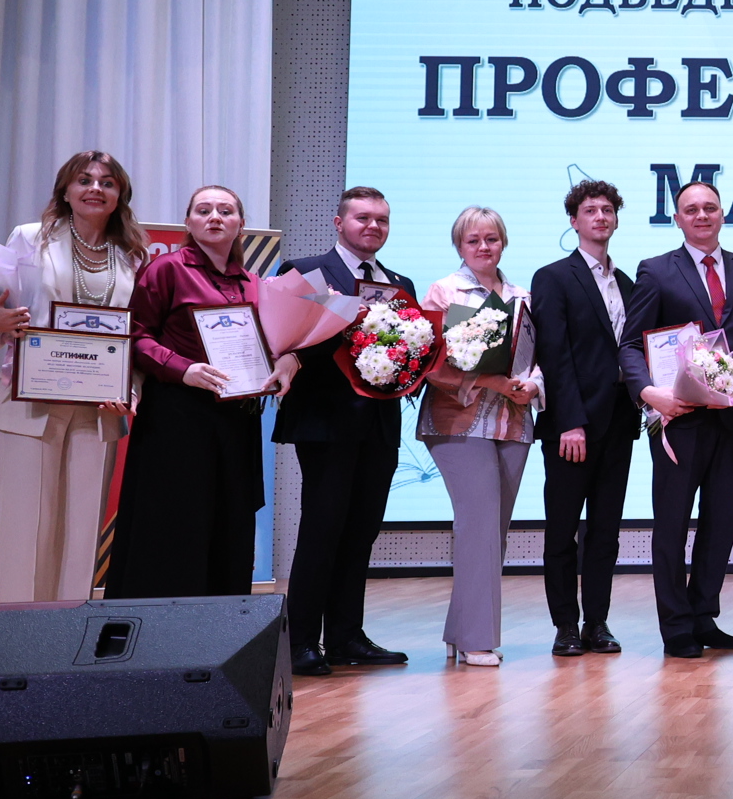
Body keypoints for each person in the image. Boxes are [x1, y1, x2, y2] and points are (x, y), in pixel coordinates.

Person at [0, 151, 145, 602]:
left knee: (82, 529)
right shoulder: (30, 238)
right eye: (84, 180)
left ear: (119, 195)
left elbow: (135, 335)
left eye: (107, 182)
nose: (95, 189)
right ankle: (17, 630)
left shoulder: (132, 256)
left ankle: (69, 628)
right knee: (26, 524)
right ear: (65, 190)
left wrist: (129, 390)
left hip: (99, 407)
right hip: (30, 400)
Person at [620, 180, 733, 660]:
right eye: (691, 209)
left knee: (720, 521)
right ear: (677, 219)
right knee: (671, 523)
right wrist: (650, 394)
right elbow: (630, 344)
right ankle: (676, 625)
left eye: (710, 207)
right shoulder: (655, 270)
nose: (702, 215)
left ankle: (705, 615)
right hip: (677, 418)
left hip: (731, 418)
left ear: (723, 213)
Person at [111, 186, 288, 597]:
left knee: (230, 521)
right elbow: (135, 336)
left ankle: (221, 623)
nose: (215, 217)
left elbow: (272, 342)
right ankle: (162, 622)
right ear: (188, 222)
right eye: (204, 210)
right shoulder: (166, 269)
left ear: (240, 224)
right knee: (174, 522)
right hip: (177, 416)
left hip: (236, 421)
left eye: (225, 211)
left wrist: (286, 359)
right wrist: (183, 368)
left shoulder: (253, 283)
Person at [269, 186, 415, 677]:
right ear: (339, 223)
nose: (373, 227)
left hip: (380, 423)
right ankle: (300, 642)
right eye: (363, 218)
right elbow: (288, 339)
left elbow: (409, 351)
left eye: (381, 220)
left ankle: (347, 636)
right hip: (326, 422)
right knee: (322, 528)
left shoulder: (399, 283)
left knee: (361, 531)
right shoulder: (305, 272)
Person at [418, 207, 542, 667]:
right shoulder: (444, 291)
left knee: (494, 529)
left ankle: (460, 630)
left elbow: (540, 356)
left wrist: (534, 385)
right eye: (473, 240)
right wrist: (490, 382)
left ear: (503, 243)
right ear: (459, 246)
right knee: (480, 523)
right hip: (457, 421)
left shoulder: (523, 296)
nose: (484, 247)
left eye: (492, 239)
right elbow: (431, 363)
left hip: (514, 420)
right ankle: (477, 640)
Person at [529, 179, 638, 658]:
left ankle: (597, 622)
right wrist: (570, 421)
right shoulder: (554, 277)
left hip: (619, 423)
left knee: (605, 532)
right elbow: (554, 354)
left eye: (607, 210)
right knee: (562, 530)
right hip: (572, 426)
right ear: (574, 221)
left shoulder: (628, 282)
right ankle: (565, 626)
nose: (600, 217)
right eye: (590, 210)